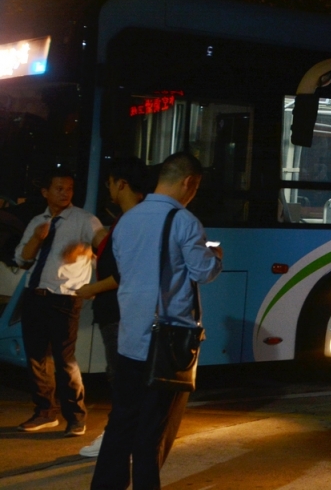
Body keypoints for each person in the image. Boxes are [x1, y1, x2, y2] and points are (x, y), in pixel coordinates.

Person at [92, 152, 222, 490]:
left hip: (130, 338)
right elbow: (203, 272)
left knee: (121, 424)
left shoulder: (126, 221)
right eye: (195, 188)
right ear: (189, 182)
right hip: (167, 343)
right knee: (151, 433)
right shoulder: (184, 221)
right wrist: (216, 256)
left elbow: (126, 271)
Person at [13, 170, 101, 436]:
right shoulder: (37, 221)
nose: (65, 193)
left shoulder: (84, 220)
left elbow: (104, 245)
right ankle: (45, 412)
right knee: (37, 357)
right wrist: (37, 238)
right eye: (59, 188)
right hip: (35, 294)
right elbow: (22, 260)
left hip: (65, 297)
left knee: (65, 360)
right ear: (45, 192)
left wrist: (85, 250)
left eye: (69, 188)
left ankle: (76, 416)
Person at [75, 156, 149, 458]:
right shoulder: (128, 218)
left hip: (120, 313)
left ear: (122, 184)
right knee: (121, 377)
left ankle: (117, 437)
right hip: (115, 312)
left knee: (122, 379)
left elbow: (124, 273)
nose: (108, 189)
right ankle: (125, 435)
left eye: (110, 183)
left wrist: (90, 289)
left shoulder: (134, 220)